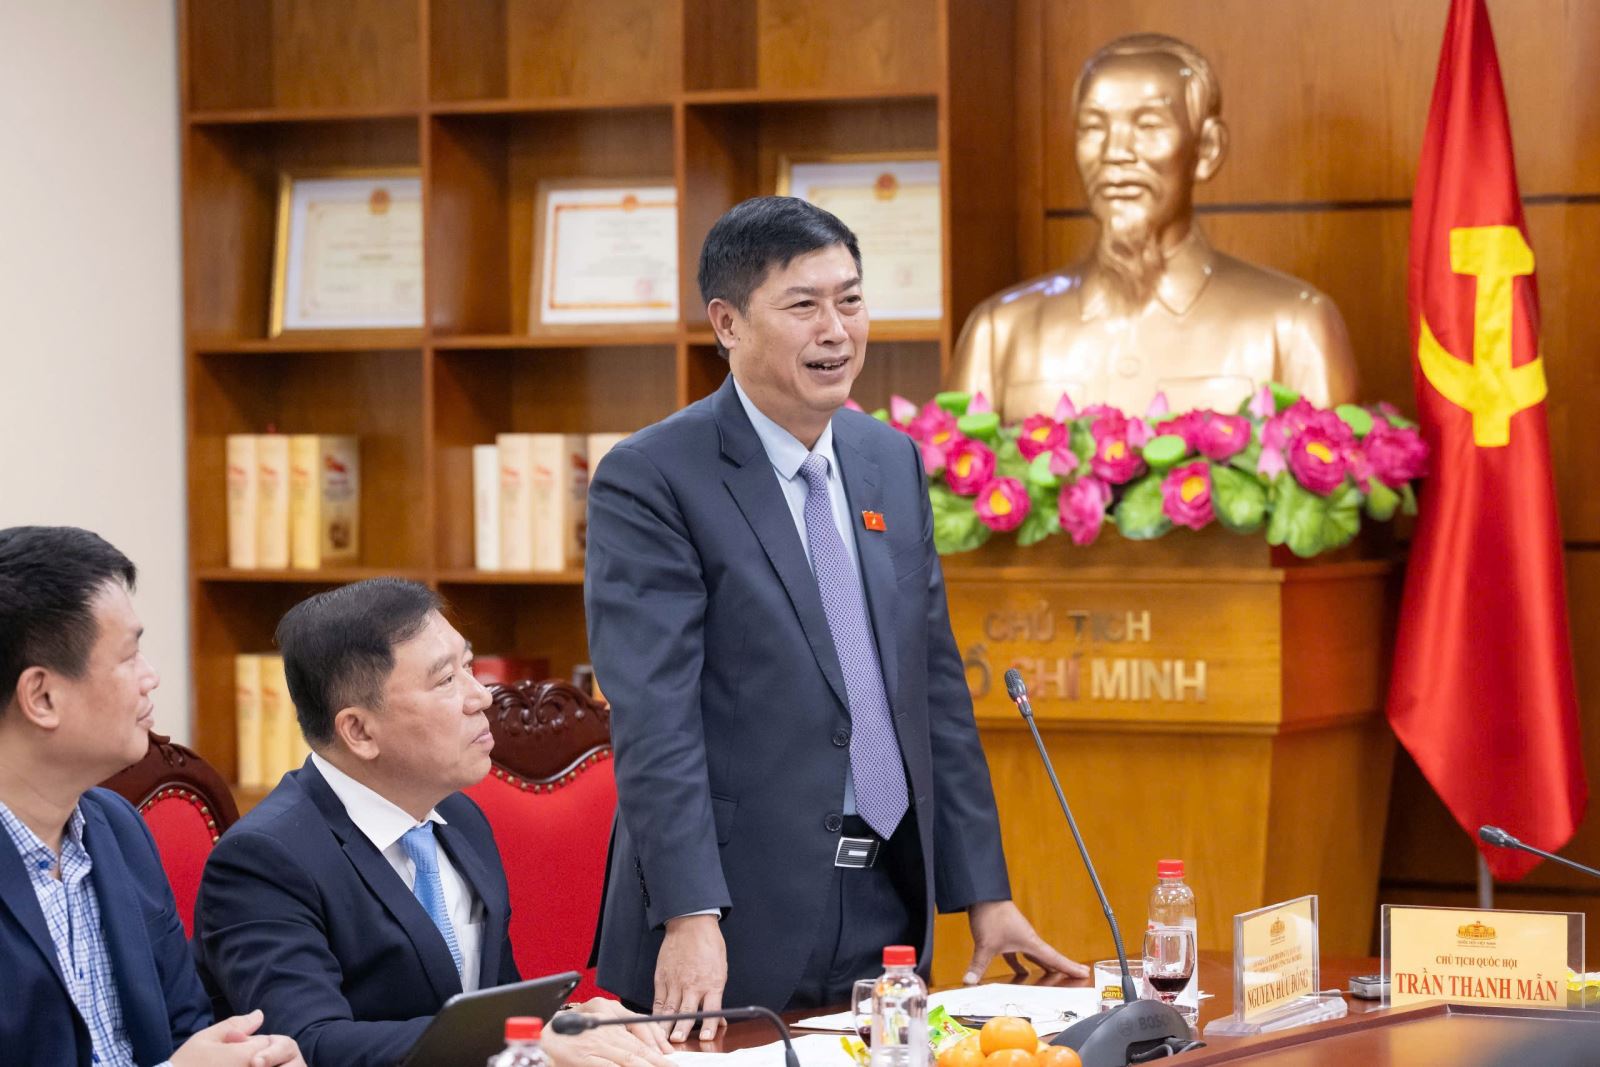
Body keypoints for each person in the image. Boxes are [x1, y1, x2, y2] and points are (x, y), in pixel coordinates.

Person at [584, 196, 1085, 1039]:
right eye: (804, 305)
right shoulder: (653, 478)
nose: (836, 330)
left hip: (886, 897)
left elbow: (932, 688)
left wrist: (985, 895)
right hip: (731, 918)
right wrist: (688, 912)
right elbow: (654, 719)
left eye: (850, 300)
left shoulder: (888, 459)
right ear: (728, 323)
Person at [192, 579, 672, 1067]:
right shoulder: (264, 860)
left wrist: (564, 1021)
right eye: (445, 681)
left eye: (469, 666)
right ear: (358, 730)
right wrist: (519, 1039)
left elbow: (491, 1008)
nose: (481, 696)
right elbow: (307, 1044)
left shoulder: (460, 817)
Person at [0, 525, 303, 1067]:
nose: (151, 677)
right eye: (129, 656)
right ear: (42, 697)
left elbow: (185, 1027)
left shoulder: (117, 828)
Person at [949, 33, 1358, 418]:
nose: (1115, 152)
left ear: (1207, 149)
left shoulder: (1292, 327)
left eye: (1148, 126)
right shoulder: (998, 334)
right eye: (1093, 127)